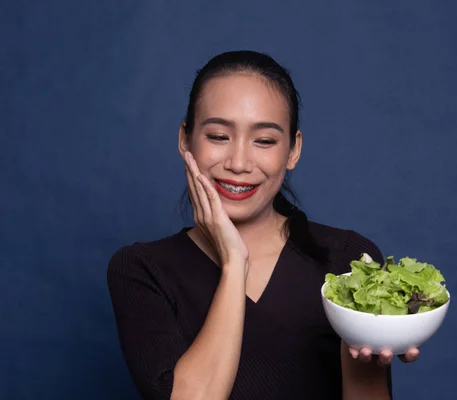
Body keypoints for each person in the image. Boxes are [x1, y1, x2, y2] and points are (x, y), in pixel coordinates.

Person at [106, 50, 420, 400]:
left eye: (265, 141)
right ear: (185, 140)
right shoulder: (141, 270)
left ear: (293, 150)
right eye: (218, 136)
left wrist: (366, 355)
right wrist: (233, 261)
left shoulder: (347, 260)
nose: (239, 163)